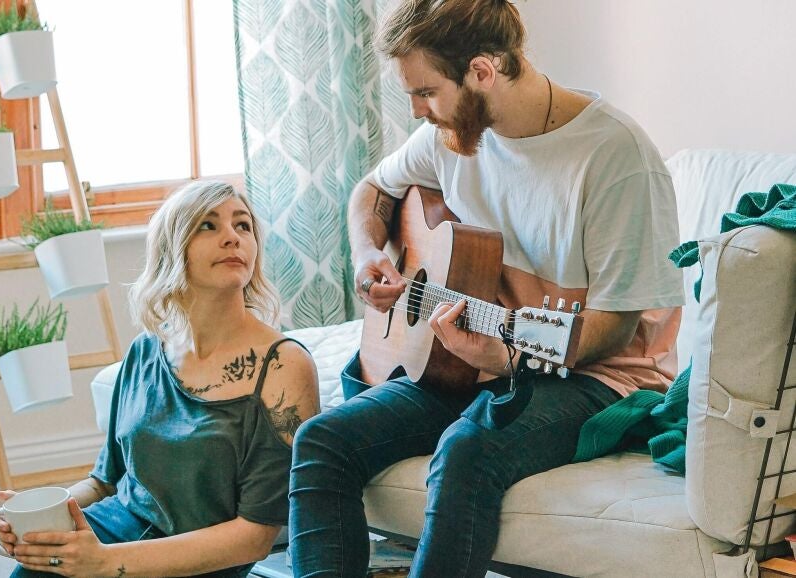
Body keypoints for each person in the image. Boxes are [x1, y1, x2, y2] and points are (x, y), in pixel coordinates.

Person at [288, 1, 685, 576]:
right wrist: (369, 252)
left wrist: (506, 356)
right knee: (322, 441)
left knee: (467, 449)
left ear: (482, 71)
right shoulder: (452, 137)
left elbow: (611, 329)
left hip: (599, 377)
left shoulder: (615, 157)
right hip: (475, 360)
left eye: (426, 92)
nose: (417, 111)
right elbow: (371, 190)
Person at [0, 181, 319, 578]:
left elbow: (254, 536)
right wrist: (38, 522)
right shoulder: (146, 350)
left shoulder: (284, 366)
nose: (232, 237)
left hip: (192, 564)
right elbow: (104, 482)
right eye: (208, 225)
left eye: (243, 225)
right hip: (111, 530)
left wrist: (105, 563)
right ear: (172, 248)